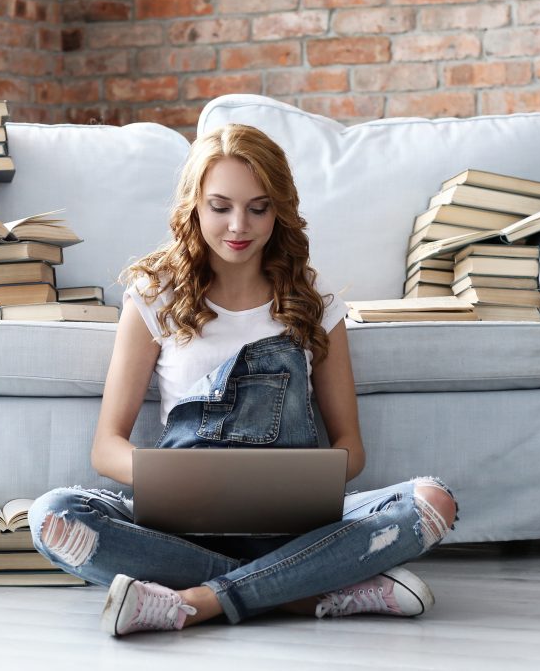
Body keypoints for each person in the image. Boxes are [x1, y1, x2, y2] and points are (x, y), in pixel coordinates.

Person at [28, 123, 458, 637]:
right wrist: (179, 481)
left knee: (432, 502)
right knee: (53, 516)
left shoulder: (312, 299)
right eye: (220, 206)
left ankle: (200, 601)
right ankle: (300, 593)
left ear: (279, 210)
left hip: (291, 527)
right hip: (182, 530)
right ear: (194, 206)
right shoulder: (155, 293)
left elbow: (350, 447)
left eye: (258, 207)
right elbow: (106, 447)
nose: (239, 225)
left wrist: (302, 484)